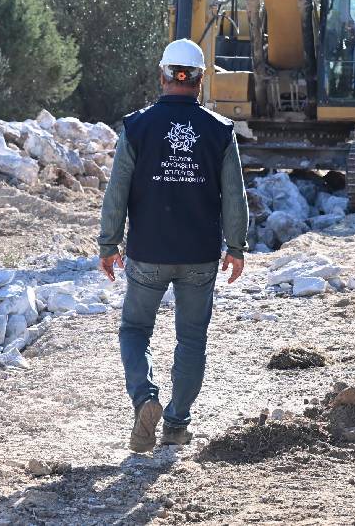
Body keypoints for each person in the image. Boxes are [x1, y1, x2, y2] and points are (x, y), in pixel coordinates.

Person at [98, 38, 249, 453]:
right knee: (192, 339)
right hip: (200, 255)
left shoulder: (136, 126)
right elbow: (234, 196)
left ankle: (146, 399)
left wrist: (109, 242)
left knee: (134, 329)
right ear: (200, 80)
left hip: (148, 252)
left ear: (161, 75)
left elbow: (117, 192)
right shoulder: (220, 131)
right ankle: (177, 424)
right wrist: (236, 246)